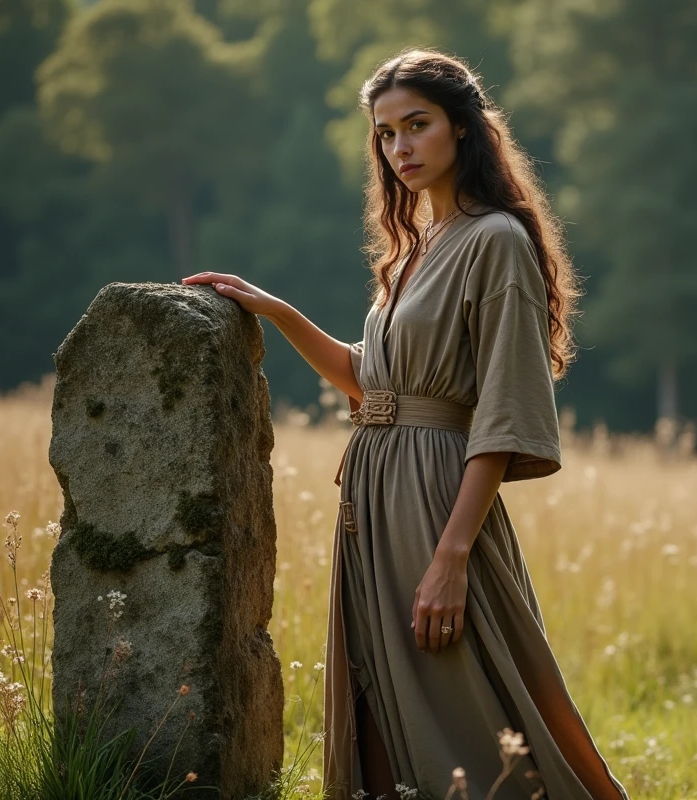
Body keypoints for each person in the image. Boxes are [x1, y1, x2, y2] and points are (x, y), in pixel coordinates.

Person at [183, 48, 629, 800]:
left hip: (434, 498)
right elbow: (371, 380)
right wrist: (277, 310)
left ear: (462, 128)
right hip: (372, 501)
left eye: (416, 126)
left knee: (468, 701)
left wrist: (452, 556)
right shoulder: (413, 252)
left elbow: (503, 410)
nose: (400, 149)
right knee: (384, 701)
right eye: (386, 135)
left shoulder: (496, 241)